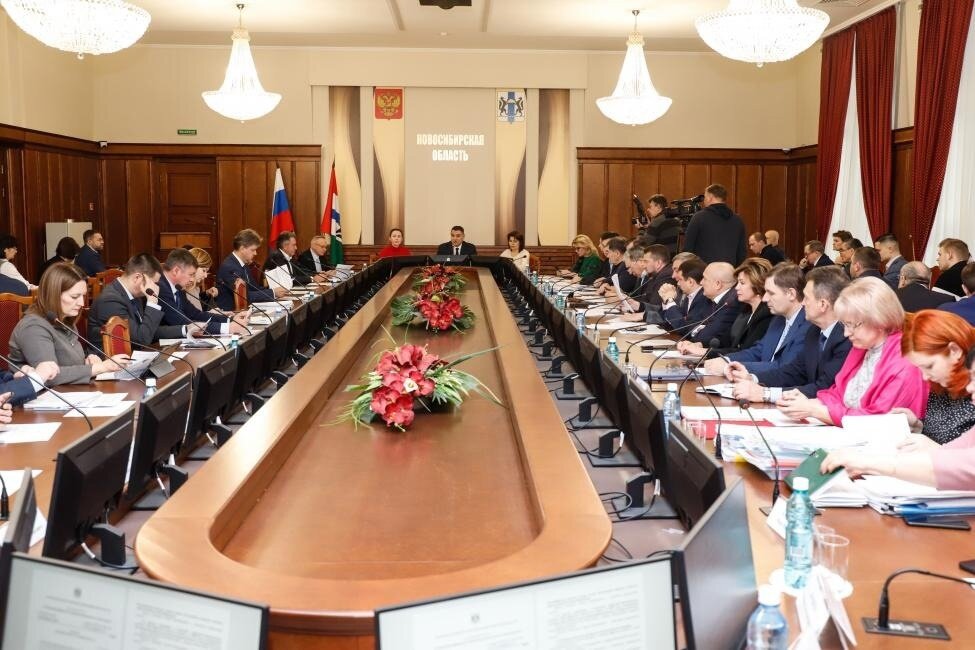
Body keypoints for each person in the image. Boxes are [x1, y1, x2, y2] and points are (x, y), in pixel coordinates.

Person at [821, 344, 975, 491]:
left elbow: (959, 463)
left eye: (929, 366)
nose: (969, 387)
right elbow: (954, 450)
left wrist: (867, 462)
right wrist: (920, 426)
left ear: (955, 351)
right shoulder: (940, 388)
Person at [777, 277, 928, 426]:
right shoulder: (863, 348)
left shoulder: (904, 362)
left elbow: (878, 421)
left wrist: (815, 410)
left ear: (879, 320)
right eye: (844, 325)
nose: (846, 333)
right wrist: (808, 402)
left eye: (852, 325)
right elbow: (837, 393)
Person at [728, 266, 852, 403]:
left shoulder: (846, 338)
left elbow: (824, 388)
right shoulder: (814, 331)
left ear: (823, 304)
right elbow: (794, 371)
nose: (802, 302)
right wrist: (752, 378)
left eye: (806, 298)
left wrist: (766, 394)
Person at [9, 262, 130, 385]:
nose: (81, 303)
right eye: (74, 297)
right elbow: (50, 376)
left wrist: (88, 360)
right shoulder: (33, 327)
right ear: (53, 294)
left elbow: (68, 361)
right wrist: (100, 368)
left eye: (83, 296)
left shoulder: (64, 319)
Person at [703, 263, 809, 375]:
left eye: (771, 293)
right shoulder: (778, 319)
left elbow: (785, 367)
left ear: (791, 294)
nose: (765, 298)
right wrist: (726, 359)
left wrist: (730, 367)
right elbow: (757, 352)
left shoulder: (808, 325)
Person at [88, 253, 190, 350]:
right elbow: (141, 339)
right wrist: (152, 302)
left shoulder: (134, 294)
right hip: (109, 359)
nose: (156, 288)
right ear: (137, 277)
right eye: (153, 283)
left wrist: (186, 329)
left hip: (133, 355)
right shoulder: (110, 301)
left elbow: (148, 330)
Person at [678, 257, 773, 358]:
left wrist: (705, 352)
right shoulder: (746, 310)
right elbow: (726, 340)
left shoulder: (765, 315)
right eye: (738, 282)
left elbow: (745, 352)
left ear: (757, 284)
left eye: (742, 283)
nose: (737, 287)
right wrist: (699, 345)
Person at [157, 248, 250, 337]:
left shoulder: (177, 286)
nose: (192, 279)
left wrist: (231, 319)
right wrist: (227, 328)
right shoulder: (161, 288)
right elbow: (182, 323)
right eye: (191, 274)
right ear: (176, 271)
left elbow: (195, 314)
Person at [664, 261, 739, 346]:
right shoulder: (712, 300)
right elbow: (690, 326)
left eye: (705, 279)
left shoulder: (730, 303)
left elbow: (705, 337)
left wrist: (698, 330)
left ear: (718, 284)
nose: (701, 282)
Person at [216, 229, 286, 311]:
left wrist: (275, 290)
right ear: (242, 248)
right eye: (253, 250)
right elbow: (243, 296)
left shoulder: (243, 264)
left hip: (245, 309)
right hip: (231, 312)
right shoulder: (229, 267)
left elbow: (255, 288)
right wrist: (273, 293)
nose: (255, 253)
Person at [682, 184, 746, 266]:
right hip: (729, 270)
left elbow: (688, 248)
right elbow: (741, 252)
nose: (704, 200)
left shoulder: (699, 217)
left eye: (705, 197)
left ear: (710, 197)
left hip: (704, 270)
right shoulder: (738, 220)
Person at [618, 244, 678, 321]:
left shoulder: (666, 277)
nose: (643, 265)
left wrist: (642, 315)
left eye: (646, 261)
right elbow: (647, 299)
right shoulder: (654, 275)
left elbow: (658, 308)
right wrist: (637, 305)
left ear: (658, 263)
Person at [184, 247, 221, 312]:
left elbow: (197, 309)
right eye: (204, 270)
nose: (206, 276)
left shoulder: (195, 287)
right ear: (193, 266)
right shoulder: (181, 288)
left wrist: (206, 293)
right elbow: (190, 316)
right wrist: (211, 314)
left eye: (206, 271)